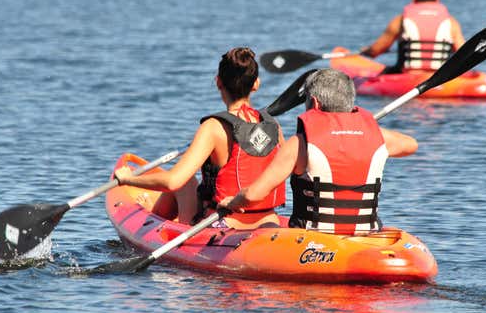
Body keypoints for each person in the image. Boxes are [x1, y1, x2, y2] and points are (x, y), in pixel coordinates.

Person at [219, 68, 418, 235]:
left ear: (314, 103)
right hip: (365, 235)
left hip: (312, 239)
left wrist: (232, 201)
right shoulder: (378, 138)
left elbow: (253, 194)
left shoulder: (299, 144)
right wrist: (364, 126)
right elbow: (411, 145)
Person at [114, 47, 285, 229]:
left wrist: (128, 179)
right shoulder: (273, 126)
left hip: (224, 224)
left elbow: (173, 181)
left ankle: (154, 215)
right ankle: (161, 214)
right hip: (269, 223)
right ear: (256, 84)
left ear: (218, 82)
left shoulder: (213, 128)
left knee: (185, 182)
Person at [360, 0, 465, 74]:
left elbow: (375, 51)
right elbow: (463, 54)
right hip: (440, 78)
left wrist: (365, 52)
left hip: (408, 77)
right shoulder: (452, 23)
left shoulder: (400, 21)